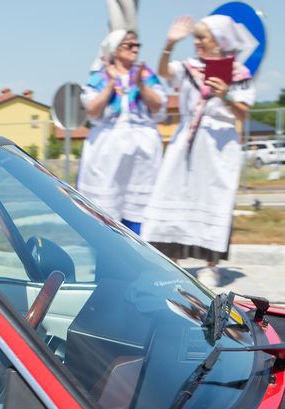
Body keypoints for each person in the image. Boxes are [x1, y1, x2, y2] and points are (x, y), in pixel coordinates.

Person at [141, 15, 255, 286]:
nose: (197, 42)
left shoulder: (239, 73)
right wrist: (170, 43)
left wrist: (225, 96)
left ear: (219, 41)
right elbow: (164, 73)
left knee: (213, 198)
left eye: (202, 37)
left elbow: (243, 112)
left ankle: (211, 266)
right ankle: (172, 262)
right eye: (195, 37)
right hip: (186, 141)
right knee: (173, 193)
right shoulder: (189, 67)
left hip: (218, 144)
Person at [77, 29, 166, 234]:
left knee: (139, 207)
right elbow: (92, 110)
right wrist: (111, 83)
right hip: (107, 148)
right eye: (129, 45)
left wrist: (141, 85)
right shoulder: (99, 77)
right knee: (105, 207)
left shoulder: (146, 74)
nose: (135, 49)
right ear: (115, 50)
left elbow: (157, 105)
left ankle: (138, 248)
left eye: (137, 45)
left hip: (142, 148)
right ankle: (107, 247)